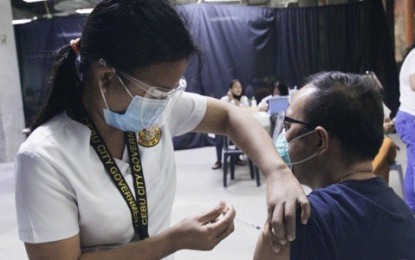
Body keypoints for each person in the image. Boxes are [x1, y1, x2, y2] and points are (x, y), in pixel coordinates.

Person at [14, 1, 310, 259]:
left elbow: (229, 116)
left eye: (172, 90)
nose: (165, 102)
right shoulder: (44, 159)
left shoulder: (154, 109)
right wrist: (172, 240)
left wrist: (277, 172)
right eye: (157, 92)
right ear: (106, 78)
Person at [254, 71, 415, 260]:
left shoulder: (293, 226)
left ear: (319, 141)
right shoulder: (402, 215)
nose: (283, 138)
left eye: (288, 126)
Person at [211, 79, 249, 170]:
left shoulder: (244, 99)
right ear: (230, 89)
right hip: (225, 125)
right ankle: (219, 160)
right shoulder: (224, 99)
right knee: (218, 134)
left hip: (239, 124)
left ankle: (237, 157)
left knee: (241, 132)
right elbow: (220, 112)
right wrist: (230, 99)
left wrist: (233, 100)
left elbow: (244, 111)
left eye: (240, 87)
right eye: (236, 87)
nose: (238, 89)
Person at [395, 45, 415, 213]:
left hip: (408, 118)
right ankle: (411, 209)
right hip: (411, 118)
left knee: (413, 165)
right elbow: (414, 83)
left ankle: (411, 208)